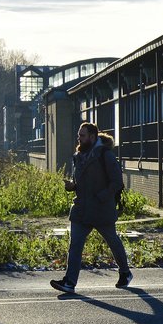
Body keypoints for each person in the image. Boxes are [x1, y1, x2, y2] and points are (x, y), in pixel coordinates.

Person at [50, 122, 133, 294]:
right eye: (78, 135)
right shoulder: (78, 156)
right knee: (75, 245)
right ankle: (69, 282)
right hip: (81, 209)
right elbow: (79, 182)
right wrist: (72, 186)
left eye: (82, 135)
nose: (79, 138)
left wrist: (102, 196)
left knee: (113, 241)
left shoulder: (105, 155)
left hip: (101, 209)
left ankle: (125, 272)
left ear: (92, 137)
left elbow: (117, 182)